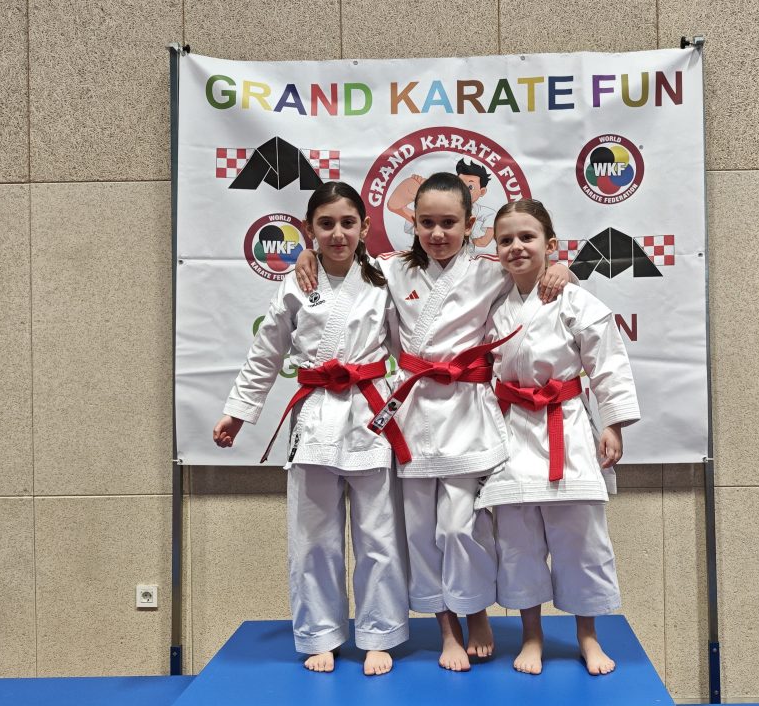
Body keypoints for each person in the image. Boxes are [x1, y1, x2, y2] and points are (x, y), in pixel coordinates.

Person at [295, 173, 571, 672]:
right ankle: (447, 628)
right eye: (426, 223)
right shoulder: (391, 269)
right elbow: (344, 262)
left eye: (449, 223)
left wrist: (562, 268)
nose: (437, 233)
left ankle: (476, 611)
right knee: (420, 533)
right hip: (412, 413)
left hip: (467, 411)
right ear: (413, 223)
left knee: (462, 526)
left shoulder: (489, 270)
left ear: (470, 224)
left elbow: (531, 270)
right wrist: (308, 255)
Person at [212, 182, 410, 676]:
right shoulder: (296, 283)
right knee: (314, 537)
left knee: (379, 536)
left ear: (365, 226)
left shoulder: (386, 276)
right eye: (326, 224)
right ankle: (321, 633)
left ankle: (379, 634)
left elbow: (408, 344)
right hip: (316, 414)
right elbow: (267, 351)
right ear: (309, 229)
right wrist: (238, 412)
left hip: (371, 415)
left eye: (348, 223)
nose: (338, 233)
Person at [478, 199, 641, 676]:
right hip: (511, 428)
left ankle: (588, 636)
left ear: (550, 245)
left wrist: (612, 424)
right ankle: (532, 636)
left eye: (527, 237)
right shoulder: (492, 300)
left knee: (581, 541)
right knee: (518, 542)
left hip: (564, 425)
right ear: (494, 248)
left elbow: (607, 362)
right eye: (505, 239)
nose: (516, 246)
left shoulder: (575, 300)